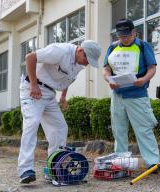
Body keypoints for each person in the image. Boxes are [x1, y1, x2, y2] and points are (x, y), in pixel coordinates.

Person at [18, 40, 101, 183]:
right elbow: (30, 57)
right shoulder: (60, 51)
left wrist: (62, 96)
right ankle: (25, 170)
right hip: (33, 89)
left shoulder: (78, 64)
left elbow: (66, 79)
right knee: (32, 124)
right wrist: (33, 85)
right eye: (87, 59)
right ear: (80, 50)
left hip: (49, 94)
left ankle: (53, 168)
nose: (87, 64)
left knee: (60, 127)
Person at [103, 19, 160, 169]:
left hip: (137, 94)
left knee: (144, 129)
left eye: (127, 35)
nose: (124, 39)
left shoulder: (143, 46)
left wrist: (144, 79)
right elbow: (106, 69)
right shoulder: (112, 48)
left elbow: (152, 68)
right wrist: (108, 79)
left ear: (134, 32)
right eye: (121, 36)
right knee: (118, 129)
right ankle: (121, 162)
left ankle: (152, 162)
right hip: (117, 95)